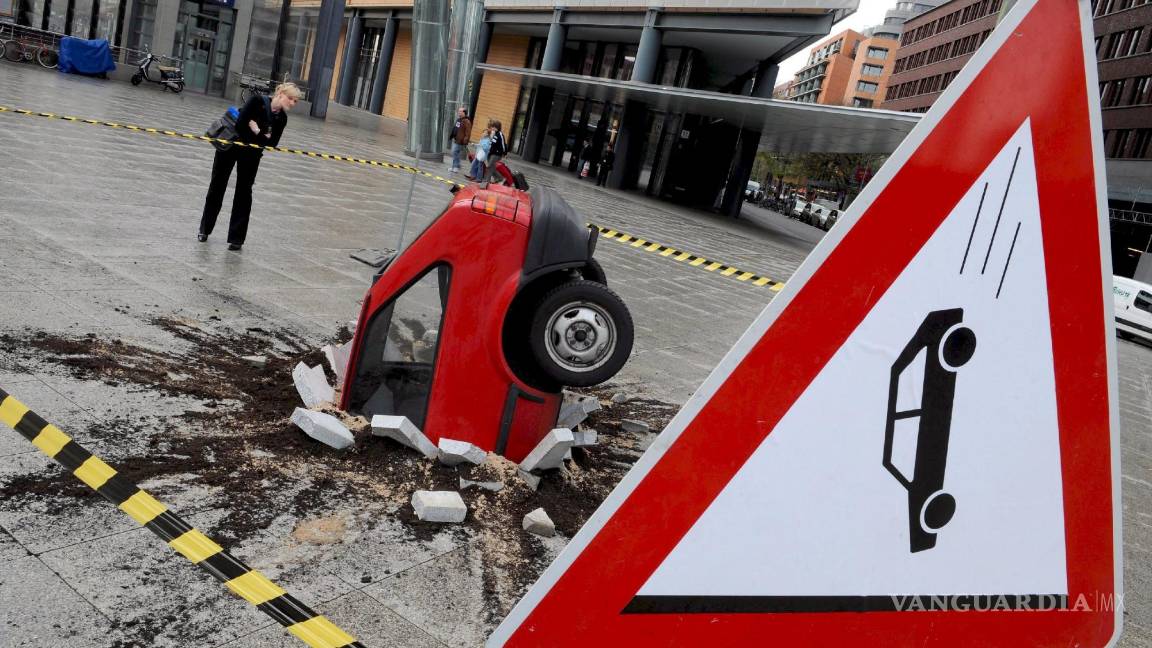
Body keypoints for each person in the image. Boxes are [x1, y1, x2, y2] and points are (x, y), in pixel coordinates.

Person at [199, 82, 301, 250]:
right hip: (229, 148)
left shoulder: (281, 118)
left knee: (244, 193)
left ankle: (236, 239)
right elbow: (241, 125)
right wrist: (261, 135)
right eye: (291, 98)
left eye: (295, 101)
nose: (292, 103)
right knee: (217, 185)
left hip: (251, 156)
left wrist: (256, 131)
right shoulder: (256, 101)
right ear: (280, 94)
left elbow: (272, 143)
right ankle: (205, 229)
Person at [448, 107, 472, 174]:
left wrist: (465, 140)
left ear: (464, 113)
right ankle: (455, 166)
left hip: (460, 141)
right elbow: (456, 128)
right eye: (458, 111)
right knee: (455, 153)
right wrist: (452, 135)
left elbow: (468, 132)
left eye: (460, 111)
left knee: (454, 152)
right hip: (456, 139)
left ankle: (455, 167)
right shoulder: (459, 119)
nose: (459, 112)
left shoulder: (467, 121)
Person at [485, 119, 507, 184]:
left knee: (489, 166)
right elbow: (491, 143)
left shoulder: (500, 134)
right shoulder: (493, 133)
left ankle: (486, 181)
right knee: (492, 167)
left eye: (493, 127)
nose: (492, 128)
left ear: (496, 127)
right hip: (491, 153)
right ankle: (500, 178)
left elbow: (503, 144)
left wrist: (504, 153)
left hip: (497, 154)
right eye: (492, 127)